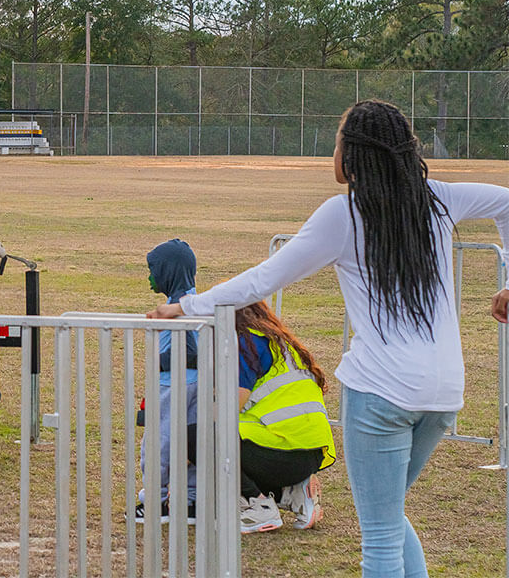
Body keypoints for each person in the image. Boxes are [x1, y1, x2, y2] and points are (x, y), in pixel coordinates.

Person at [151, 100, 509, 575]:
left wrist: (185, 305)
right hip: (443, 396)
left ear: (352, 154)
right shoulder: (439, 199)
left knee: (379, 536)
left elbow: (263, 279)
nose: (333, 151)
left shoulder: (344, 214)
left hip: (381, 393)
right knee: (388, 517)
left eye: (338, 141)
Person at [186, 300, 336, 534]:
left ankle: (257, 505)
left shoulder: (246, 343)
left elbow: (229, 407)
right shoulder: (280, 343)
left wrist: (185, 445)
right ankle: (293, 492)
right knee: (228, 437)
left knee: (199, 436)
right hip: (311, 451)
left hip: (284, 450)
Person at [136, 238, 199, 523]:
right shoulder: (197, 303)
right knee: (193, 441)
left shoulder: (180, 308)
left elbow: (186, 350)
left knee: (158, 442)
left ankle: (153, 502)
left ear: (168, 273)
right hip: (199, 383)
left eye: (154, 270)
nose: (150, 277)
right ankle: (191, 502)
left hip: (171, 385)